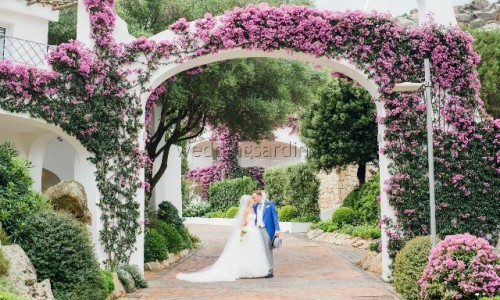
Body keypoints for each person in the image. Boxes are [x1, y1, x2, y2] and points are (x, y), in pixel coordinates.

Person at [176, 195, 269, 282]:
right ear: (249, 201)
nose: (254, 200)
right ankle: (243, 270)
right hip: (248, 231)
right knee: (244, 251)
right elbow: (243, 223)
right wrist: (244, 229)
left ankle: (253, 269)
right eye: (252, 199)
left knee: (252, 251)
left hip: (254, 232)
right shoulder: (246, 211)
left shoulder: (254, 209)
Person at [251, 189, 280, 278]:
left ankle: (270, 271)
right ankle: (262, 269)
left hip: (266, 229)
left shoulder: (269, 204)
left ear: (259, 196)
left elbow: (275, 217)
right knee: (260, 249)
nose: (254, 199)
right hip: (258, 230)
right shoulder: (255, 206)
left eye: (254, 197)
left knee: (268, 249)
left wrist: (277, 229)